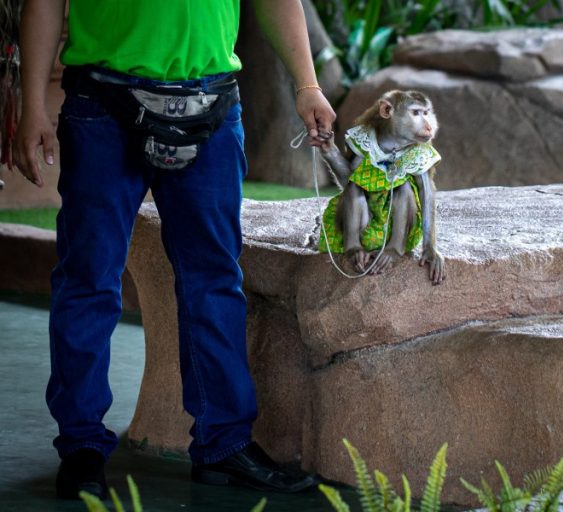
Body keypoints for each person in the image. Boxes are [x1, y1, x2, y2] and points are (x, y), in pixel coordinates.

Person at [14, 0, 336, 500]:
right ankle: (80, 447)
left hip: (211, 101)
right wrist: (32, 102)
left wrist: (308, 85)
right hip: (103, 103)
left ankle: (224, 445)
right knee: (88, 278)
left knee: (214, 280)